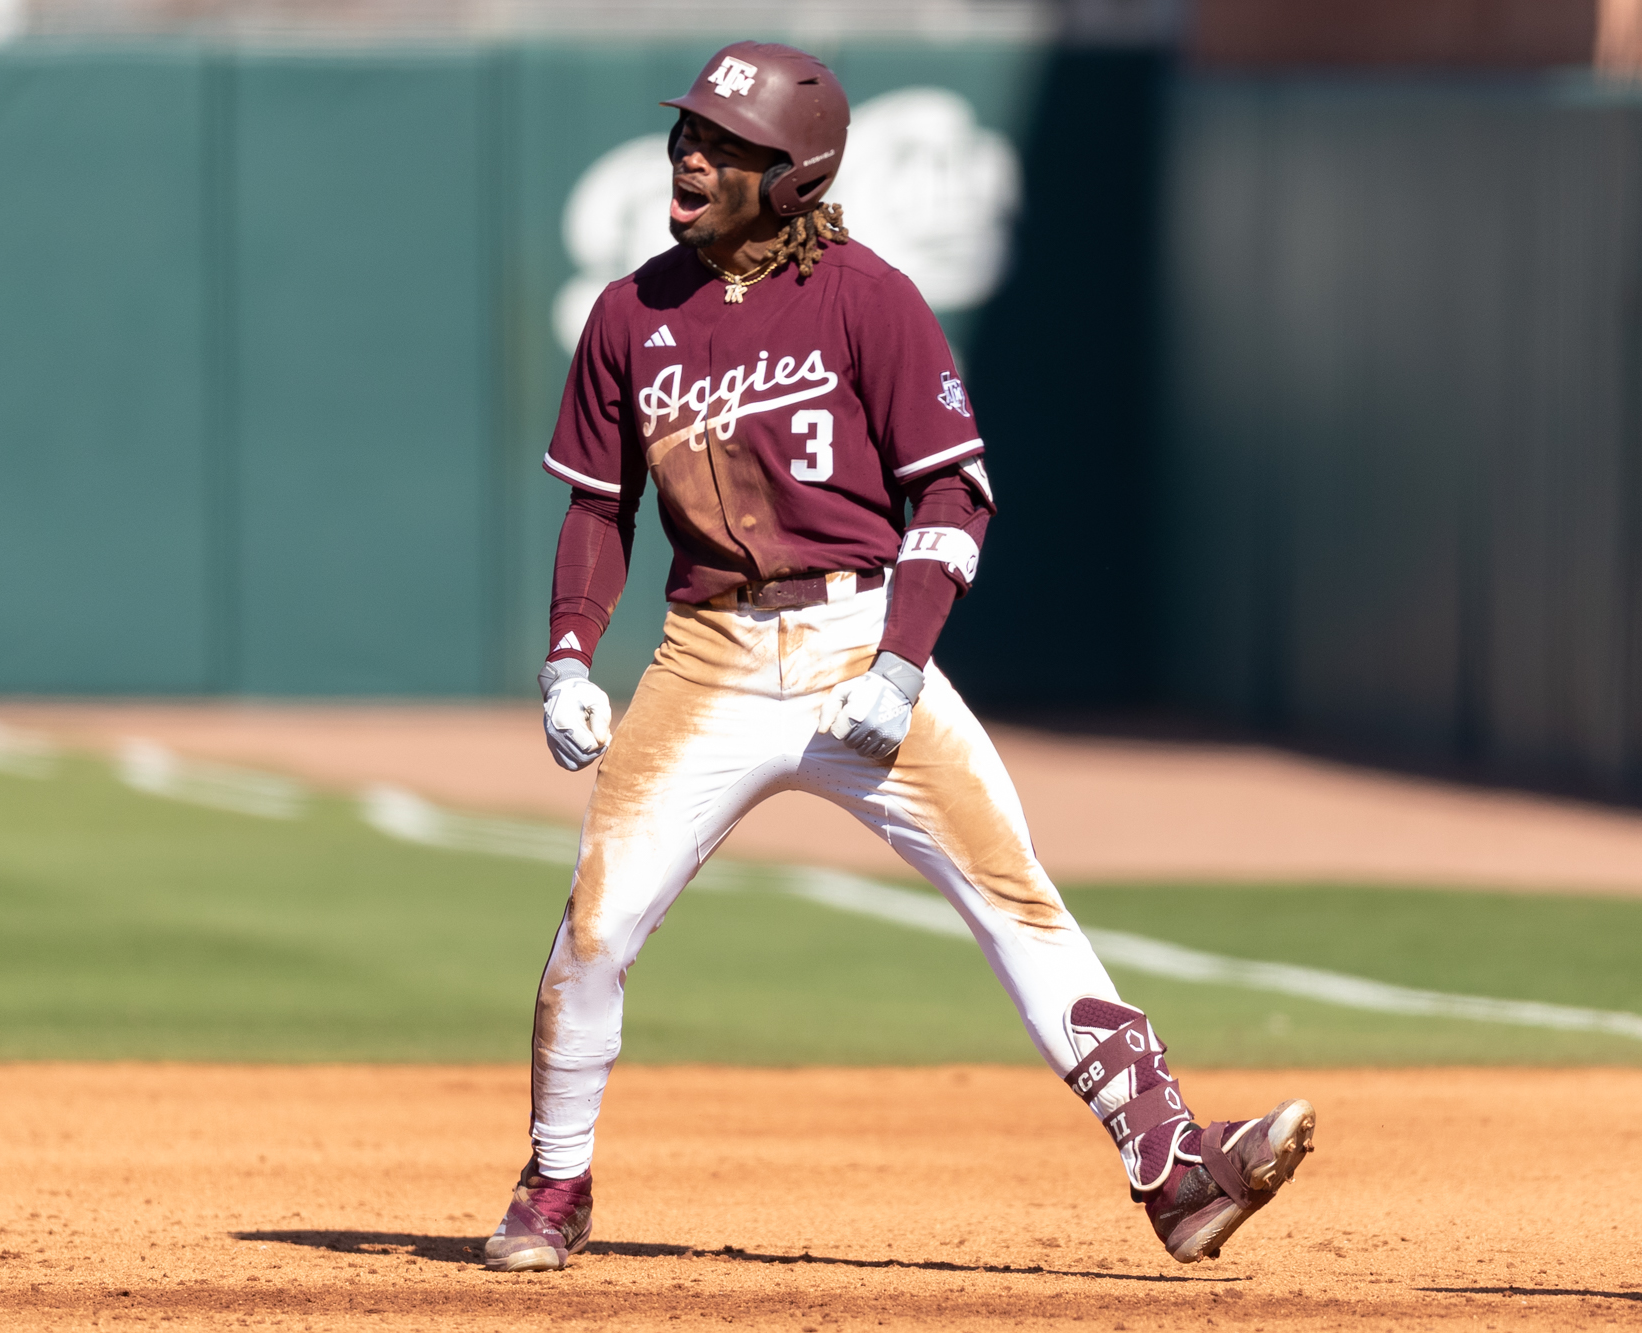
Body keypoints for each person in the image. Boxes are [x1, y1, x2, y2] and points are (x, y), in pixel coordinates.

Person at [484, 40, 1316, 1275]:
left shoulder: (866, 298)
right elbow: (596, 509)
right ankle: (554, 1186)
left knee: (1012, 894)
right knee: (592, 933)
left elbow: (953, 496)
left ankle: (1174, 1167)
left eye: (726, 144)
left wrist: (900, 660)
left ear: (793, 174)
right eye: (687, 135)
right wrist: (565, 655)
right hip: (705, 654)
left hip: (855, 637)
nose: (690, 156)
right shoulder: (629, 316)